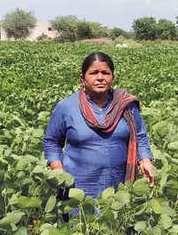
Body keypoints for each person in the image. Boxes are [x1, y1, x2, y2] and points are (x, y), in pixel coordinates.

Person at [42, 52, 154, 200]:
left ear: (112, 77)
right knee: (81, 221)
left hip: (119, 187)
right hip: (77, 189)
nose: (100, 77)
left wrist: (145, 159)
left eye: (105, 73)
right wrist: (58, 171)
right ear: (83, 78)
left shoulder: (126, 106)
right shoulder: (66, 107)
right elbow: (51, 141)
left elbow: (140, 136)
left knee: (115, 220)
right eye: (93, 73)